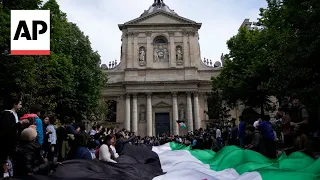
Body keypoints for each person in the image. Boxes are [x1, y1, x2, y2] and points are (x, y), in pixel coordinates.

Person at [0, 97, 22, 178]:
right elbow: (8, 129)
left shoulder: (14, 114)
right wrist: (20, 123)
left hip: (12, 142)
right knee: (5, 159)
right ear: (14, 104)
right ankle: (5, 174)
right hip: (6, 143)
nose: (21, 106)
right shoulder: (7, 114)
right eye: (20, 104)